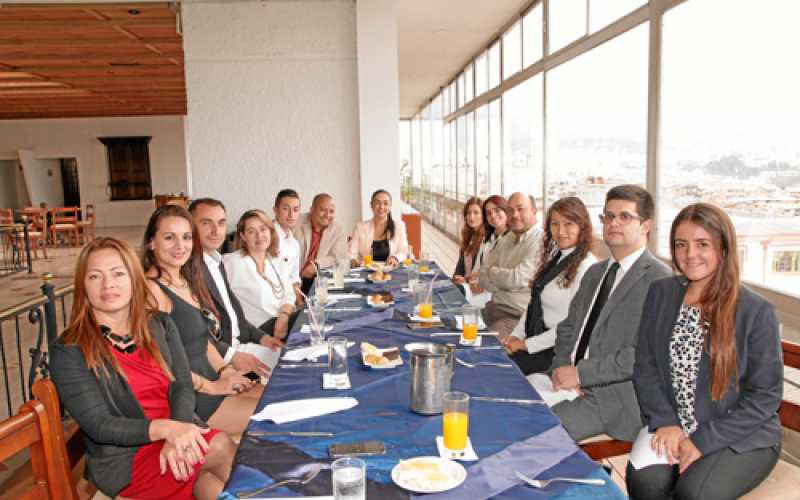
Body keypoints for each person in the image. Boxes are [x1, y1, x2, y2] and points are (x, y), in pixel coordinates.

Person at [50, 237, 235, 500]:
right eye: (95, 276)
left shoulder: (159, 324)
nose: (108, 284)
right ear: (83, 285)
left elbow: (182, 385)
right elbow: (99, 425)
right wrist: (166, 430)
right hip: (127, 457)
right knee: (221, 445)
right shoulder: (69, 349)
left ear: (134, 279)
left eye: (118, 273)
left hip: (178, 431)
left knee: (212, 486)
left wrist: (177, 431)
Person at [626, 203, 782, 500]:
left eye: (702, 244)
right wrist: (665, 421)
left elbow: (765, 396)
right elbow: (645, 366)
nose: (690, 255)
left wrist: (702, 440)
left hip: (738, 433)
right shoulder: (661, 293)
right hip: (673, 423)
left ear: (723, 249)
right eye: (681, 245)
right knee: (646, 484)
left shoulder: (756, 311)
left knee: (694, 493)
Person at [548, 185, 671, 442]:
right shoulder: (596, 272)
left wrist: (581, 374)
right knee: (512, 404)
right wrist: (561, 369)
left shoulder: (660, 280)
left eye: (625, 216)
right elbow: (569, 327)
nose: (613, 223)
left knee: (535, 428)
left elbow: (642, 355)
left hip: (613, 399)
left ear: (646, 225)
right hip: (568, 380)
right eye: (608, 216)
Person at [143, 205, 261, 435]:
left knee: (277, 393)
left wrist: (226, 371)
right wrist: (213, 386)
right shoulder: (151, 291)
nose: (180, 246)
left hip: (214, 376)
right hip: (193, 395)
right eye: (169, 238)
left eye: (186, 237)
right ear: (151, 242)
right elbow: (159, 364)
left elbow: (203, 341)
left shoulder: (186, 280)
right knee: (277, 417)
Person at [189, 198, 282, 378]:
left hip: (241, 345)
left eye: (221, 223)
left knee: (297, 362)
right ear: (190, 226)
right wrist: (232, 356)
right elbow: (194, 334)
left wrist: (262, 338)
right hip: (220, 360)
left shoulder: (216, 262)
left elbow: (233, 316)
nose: (216, 231)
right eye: (206, 223)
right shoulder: (190, 270)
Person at [503, 197, 597, 375]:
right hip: (536, 339)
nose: (561, 231)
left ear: (582, 226)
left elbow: (572, 326)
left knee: (501, 372)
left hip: (556, 351)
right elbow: (534, 303)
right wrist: (515, 336)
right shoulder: (558, 257)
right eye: (555, 224)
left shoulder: (586, 267)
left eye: (568, 224)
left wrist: (525, 345)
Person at [223, 210, 299, 339]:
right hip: (257, 330)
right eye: (251, 231)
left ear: (270, 231)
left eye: (263, 229)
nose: (259, 235)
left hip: (282, 320)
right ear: (243, 236)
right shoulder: (232, 262)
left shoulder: (275, 259)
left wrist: (284, 316)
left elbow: (289, 295)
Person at [477, 192, 543, 337]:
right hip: (492, 308)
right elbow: (482, 277)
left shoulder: (540, 241)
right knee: (452, 327)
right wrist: (504, 282)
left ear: (534, 211)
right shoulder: (507, 238)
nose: (515, 215)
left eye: (520, 209)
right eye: (510, 210)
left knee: (487, 346)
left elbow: (516, 279)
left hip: (516, 317)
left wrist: (493, 272)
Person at [294, 193, 348, 294]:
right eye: (322, 210)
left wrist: (316, 265)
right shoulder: (296, 221)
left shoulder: (338, 229)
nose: (327, 215)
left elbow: (338, 257)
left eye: (331, 211)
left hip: (319, 280)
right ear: (311, 209)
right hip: (293, 279)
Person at [348, 189, 409, 267]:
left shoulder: (399, 226)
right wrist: (353, 260)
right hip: (366, 270)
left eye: (385, 203)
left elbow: (403, 251)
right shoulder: (360, 227)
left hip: (391, 270)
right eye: (377, 203)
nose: (381, 207)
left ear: (390, 206)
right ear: (371, 205)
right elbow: (352, 253)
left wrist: (395, 258)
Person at [273, 189, 304, 304]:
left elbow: (294, 279)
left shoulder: (294, 243)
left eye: (295, 210)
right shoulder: (267, 238)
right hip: (273, 303)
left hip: (289, 302)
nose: (291, 215)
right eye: (286, 209)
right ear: (275, 210)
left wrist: (300, 304)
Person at [453, 197, 485, 290]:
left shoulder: (486, 240)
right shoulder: (469, 236)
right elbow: (459, 270)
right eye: (468, 213)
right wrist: (456, 279)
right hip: (463, 286)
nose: (471, 217)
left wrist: (465, 281)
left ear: (483, 216)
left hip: (475, 290)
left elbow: (483, 276)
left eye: (476, 212)